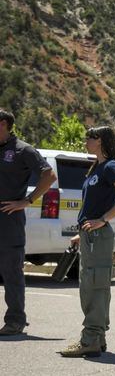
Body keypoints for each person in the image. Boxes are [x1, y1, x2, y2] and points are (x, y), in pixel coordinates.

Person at [58, 126, 115, 357]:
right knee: (90, 287)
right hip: (90, 235)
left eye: (89, 138)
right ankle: (97, 339)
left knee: (96, 286)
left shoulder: (111, 166)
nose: (85, 141)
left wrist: (102, 220)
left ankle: (89, 339)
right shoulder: (96, 167)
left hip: (99, 235)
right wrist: (83, 231)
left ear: (100, 141)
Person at [0, 109, 56, 336]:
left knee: (11, 271)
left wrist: (27, 201)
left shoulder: (22, 150)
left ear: (3, 124)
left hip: (9, 218)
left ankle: (15, 320)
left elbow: (49, 175)